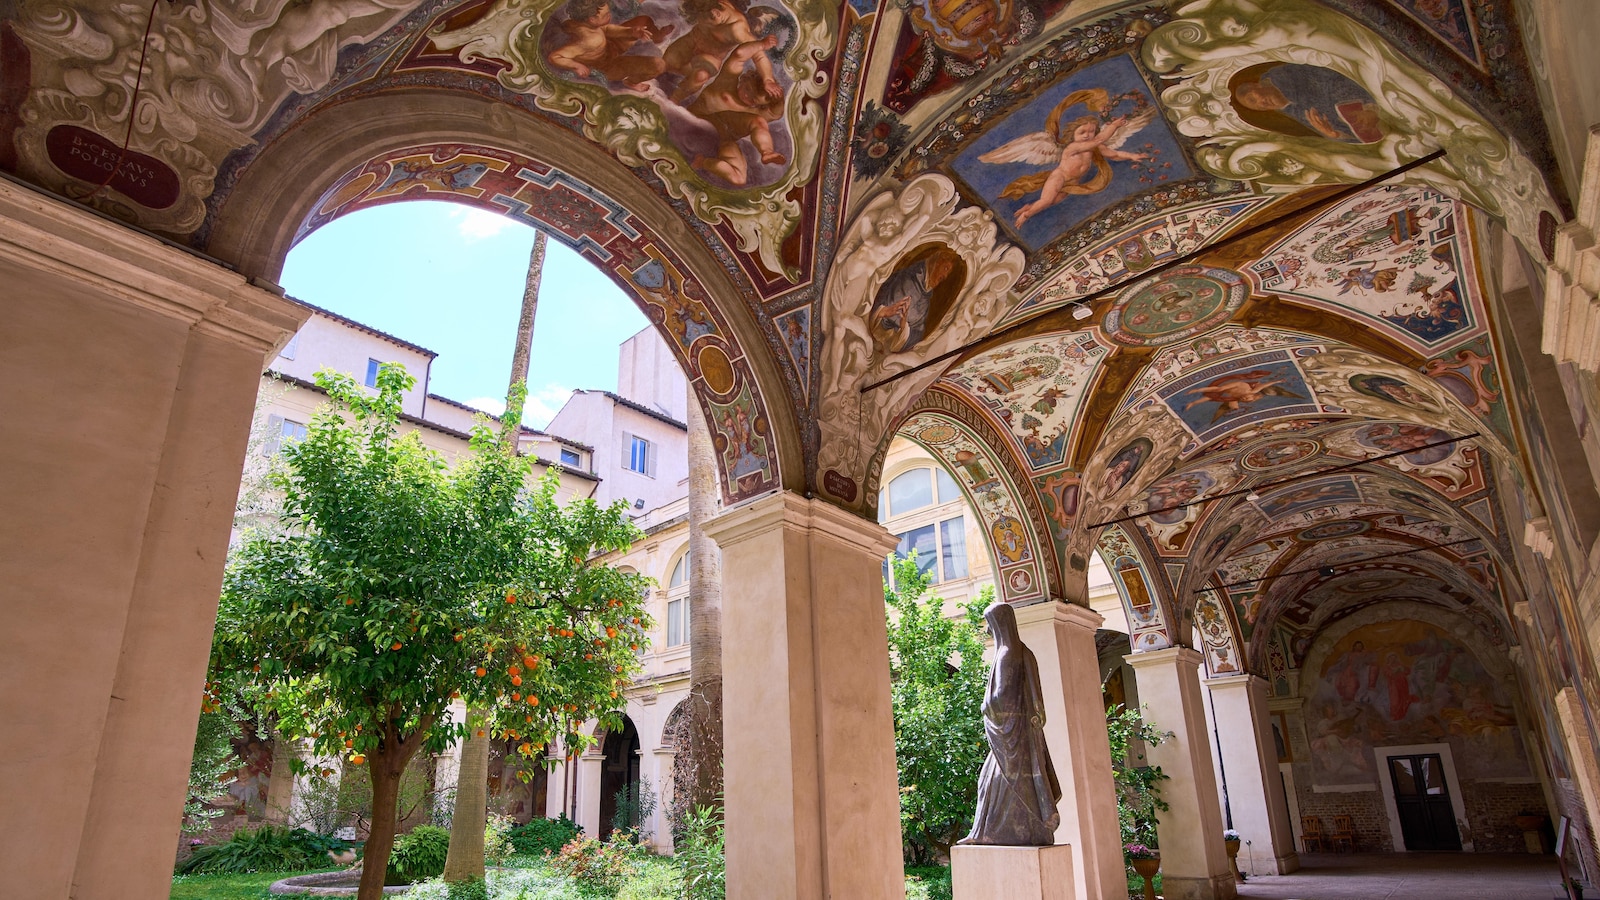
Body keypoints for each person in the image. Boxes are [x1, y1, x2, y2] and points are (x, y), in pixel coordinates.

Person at [960, 601, 1061, 846]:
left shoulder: (1006, 653)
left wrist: (985, 706)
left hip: (1010, 736)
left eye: (990, 625)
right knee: (1008, 781)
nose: (988, 631)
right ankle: (1031, 829)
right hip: (1021, 734)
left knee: (992, 782)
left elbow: (1001, 697)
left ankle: (986, 833)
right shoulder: (1024, 651)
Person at [545, 0, 671, 88]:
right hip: (607, 66)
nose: (609, 15)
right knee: (658, 65)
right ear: (592, 19)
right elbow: (555, 56)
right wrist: (576, 65)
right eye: (605, 15)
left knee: (643, 21)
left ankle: (657, 37)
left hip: (608, 48)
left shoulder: (583, 23)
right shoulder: (589, 41)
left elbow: (606, 29)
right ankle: (631, 82)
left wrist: (631, 32)